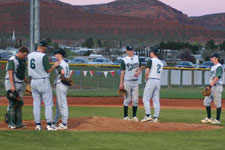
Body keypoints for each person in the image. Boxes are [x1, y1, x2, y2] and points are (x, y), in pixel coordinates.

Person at [28, 40, 60, 130]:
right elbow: (48, 70)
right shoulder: (43, 56)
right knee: (48, 104)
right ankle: (49, 125)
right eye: (46, 47)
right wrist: (55, 65)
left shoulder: (30, 55)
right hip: (42, 80)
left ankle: (38, 125)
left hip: (33, 81)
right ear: (43, 47)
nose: (46, 49)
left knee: (36, 104)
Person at [5, 47, 29, 129]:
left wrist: (27, 82)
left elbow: (22, 73)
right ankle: (11, 124)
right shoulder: (12, 60)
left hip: (20, 83)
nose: (24, 56)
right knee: (13, 103)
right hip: (11, 82)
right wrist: (12, 86)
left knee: (20, 103)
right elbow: (10, 73)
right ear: (20, 52)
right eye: (24, 54)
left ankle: (19, 123)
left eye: (26, 55)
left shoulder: (23, 61)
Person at [119, 45, 142, 121]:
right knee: (127, 99)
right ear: (127, 51)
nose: (131, 51)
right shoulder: (124, 60)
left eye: (132, 50)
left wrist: (139, 71)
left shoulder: (137, 58)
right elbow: (122, 72)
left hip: (135, 82)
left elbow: (141, 67)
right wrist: (121, 83)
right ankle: (125, 116)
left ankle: (134, 116)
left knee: (135, 100)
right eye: (130, 50)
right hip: (127, 81)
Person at [141, 48, 164, 123]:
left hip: (151, 79)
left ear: (153, 53)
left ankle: (148, 116)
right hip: (158, 81)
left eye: (151, 52)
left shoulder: (150, 60)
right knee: (156, 100)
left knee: (146, 98)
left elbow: (147, 72)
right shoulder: (161, 63)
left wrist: (146, 80)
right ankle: (156, 117)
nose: (150, 53)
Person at [201, 53, 224, 124]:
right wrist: (210, 86)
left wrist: (210, 86)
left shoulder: (219, 66)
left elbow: (217, 77)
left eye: (212, 57)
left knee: (217, 103)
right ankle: (209, 118)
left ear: (216, 58)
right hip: (212, 86)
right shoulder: (213, 67)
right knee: (206, 101)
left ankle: (217, 119)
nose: (211, 58)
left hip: (217, 86)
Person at [53, 49, 72, 130]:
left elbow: (63, 73)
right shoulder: (66, 64)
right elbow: (68, 74)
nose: (55, 55)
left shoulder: (60, 63)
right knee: (59, 104)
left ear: (60, 55)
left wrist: (60, 79)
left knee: (62, 105)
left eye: (56, 54)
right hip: (64, 84)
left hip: (61, 84)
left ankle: (64, 123)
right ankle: (55, 121)